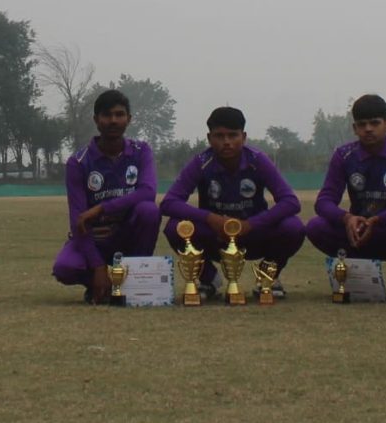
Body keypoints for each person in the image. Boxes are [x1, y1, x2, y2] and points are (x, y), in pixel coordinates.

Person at [158, 105, 305, 295]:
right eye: (219, 136)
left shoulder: (258, 160)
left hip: (253, 235)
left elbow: (291, 202)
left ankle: (268, 278)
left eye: (233, 135)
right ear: (209, 138)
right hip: (215, 237)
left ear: (243, 137)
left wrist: (251, 224)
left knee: (293, 227)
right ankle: (208, 279)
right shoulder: (201, 162)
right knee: (175, 228)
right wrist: (211, 219)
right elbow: (169, 203)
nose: (226, 142)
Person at [307, 95, 386, 295]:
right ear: (355, 129)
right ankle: (358, 277)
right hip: (360, 233)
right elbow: (324, 202)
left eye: (375, 123)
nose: (368, 129)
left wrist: (379, 220)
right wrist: (347, 218)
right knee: (315, 227)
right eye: (362, 124)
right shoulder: (344, 155)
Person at [54, 89, 162, 302]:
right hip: (97, 238)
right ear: (96, 120)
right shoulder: (78, 162)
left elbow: (148, 192)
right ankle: (99, 283)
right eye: (106, 115)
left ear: (128, 119)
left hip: (128, 233)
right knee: (64, 267)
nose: (113, 120)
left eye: (119, 114)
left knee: (149, 211)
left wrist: (102, 208)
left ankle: (133, 282)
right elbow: (79, 221)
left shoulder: (141, 151)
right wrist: (97, 265)